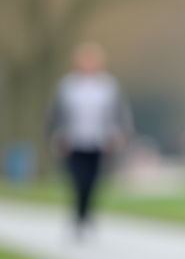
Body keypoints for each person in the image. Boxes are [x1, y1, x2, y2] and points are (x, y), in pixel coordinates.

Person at [47, 42, 134, 236]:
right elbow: (55, 114)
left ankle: (86, 214)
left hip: (99, 142)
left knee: (93, 181)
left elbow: (120, 113)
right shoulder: (67, 86)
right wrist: (57, 136)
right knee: (78, 180)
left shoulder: (108, 86)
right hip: (73, 142)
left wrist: (120, 135)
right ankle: (79, 214)